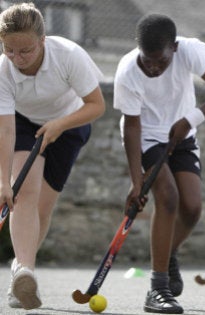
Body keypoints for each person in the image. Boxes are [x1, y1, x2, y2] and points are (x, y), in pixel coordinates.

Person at [113, 14, 205, 314]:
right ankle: (158, 288)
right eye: (148, 60)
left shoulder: (190, 51)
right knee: (167, 198)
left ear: (175, 48)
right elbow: (131, 127)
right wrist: (137, 180)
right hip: (147, 138)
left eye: (161, 60)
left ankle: (166, 255)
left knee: (192, 209)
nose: (154, 67)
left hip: (183, 133)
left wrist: (192, 118)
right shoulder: (128, 71)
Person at [0, 3, 105, 310]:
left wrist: (59, 124)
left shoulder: (69, 55)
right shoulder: (3, 71)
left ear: (42, 40)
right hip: (23, 123)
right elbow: (5, 130)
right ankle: (24, 273)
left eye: (26, 51)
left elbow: (96, 105)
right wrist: (3, 182)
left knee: (43, 208)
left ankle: (19, 274)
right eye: (9, 50)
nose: (17, 59)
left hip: (71, 122)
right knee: (24, 193)